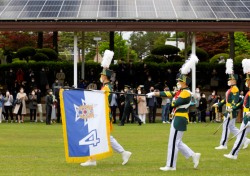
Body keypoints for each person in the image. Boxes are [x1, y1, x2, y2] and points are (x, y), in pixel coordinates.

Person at [81, 55, 132, 166]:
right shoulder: (105, 87)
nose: (100, 77)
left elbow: (104, 100)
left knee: (98, 134)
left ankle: (93, 159)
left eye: (102, 75)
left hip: (103, 115)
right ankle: (122, 153)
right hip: (102, 114)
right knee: (103, 136)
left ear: (105, 77)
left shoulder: (107, 87)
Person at [147, 68, 201, 171]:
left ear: (184, 83)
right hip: (178, 117)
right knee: (178, 142)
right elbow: (168, 94)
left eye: (179, 81)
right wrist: (154, 94)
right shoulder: (180, 91)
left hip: (180, 118)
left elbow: (174, 103)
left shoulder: (185, 93)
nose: (177, 83)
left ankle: (171, 165)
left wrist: (173, 97)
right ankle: (193, 155)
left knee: (173, 142)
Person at [224, 59, 250, 159]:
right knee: (240, 136)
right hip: (246, 116)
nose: (246, 83)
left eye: (247, 81)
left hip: (248, 118)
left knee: (240, 136)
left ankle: (233, 154)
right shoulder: (248, 92)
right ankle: (233, 153)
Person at [214, 59, 240, 150]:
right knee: (232, 127)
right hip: (229, 109)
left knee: (226, 126)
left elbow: (235, 100)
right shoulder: (230, 89)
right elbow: (226, 99)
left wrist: (231, 108)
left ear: (234, 81)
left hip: (231, 110)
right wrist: (219, 104)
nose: (228, 80)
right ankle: (244, 139)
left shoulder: (235, 89)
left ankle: (223, 144)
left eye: (230, 79)